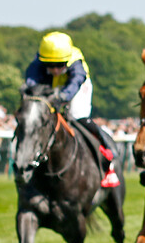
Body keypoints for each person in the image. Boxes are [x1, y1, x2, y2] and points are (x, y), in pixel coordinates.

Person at [24, 31, 119, 187]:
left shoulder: (76, 63)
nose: (55, 70)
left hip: (77, 87)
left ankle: (108, 154)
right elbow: (31, 81)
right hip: (52, 87)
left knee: (77, 116)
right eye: (50, 65)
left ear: (67, 60)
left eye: (60, 65)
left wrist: (62, 97)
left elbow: (75, 83)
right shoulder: (39, 61)